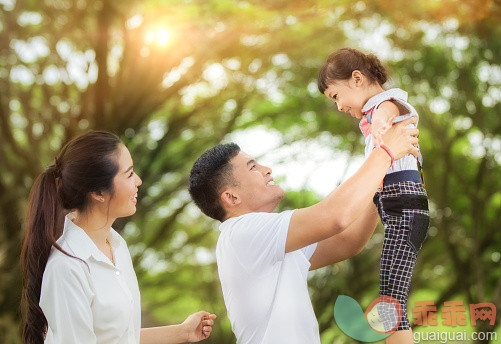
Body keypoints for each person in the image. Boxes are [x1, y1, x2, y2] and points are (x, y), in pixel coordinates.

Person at [188, 117, 419, 343]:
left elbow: (347, 241)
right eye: (253, 168)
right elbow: (335, 216)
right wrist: (385, 152)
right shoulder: (241, 233)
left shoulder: (268, 241)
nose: (267, 169)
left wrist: (383, 181)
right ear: (231, 197)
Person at [21, 131, 216, 344]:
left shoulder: (116, 245)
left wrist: (183, 332)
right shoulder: (67, 266)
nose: (138, 181)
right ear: (98, 192)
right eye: (129, 173)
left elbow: (121, 338)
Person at [317, 47, 430, 343]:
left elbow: (389, 109)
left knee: (391, 301)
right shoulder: (371, 114)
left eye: (335, 96)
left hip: (404, 204)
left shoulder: (385, 104)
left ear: (356, 79)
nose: (338, 106)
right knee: (391, 298)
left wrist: (381, 124)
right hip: (399, 207)